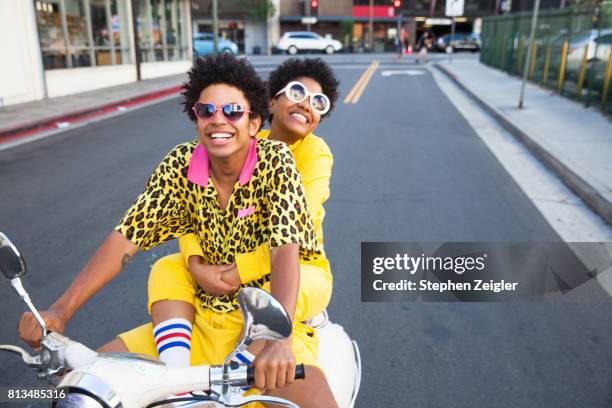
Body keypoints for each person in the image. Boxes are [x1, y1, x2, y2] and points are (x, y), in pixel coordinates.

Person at [18, 54, 338, 408]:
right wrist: (61, 310)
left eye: (232, 111)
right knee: (80, 389)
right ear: (195, 117)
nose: (219, 120)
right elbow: (130, 233)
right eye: (207, 111)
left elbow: (284, 249)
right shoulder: (179, 165)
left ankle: (244, 357)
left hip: (262, 312)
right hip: (202, 312)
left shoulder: (278, 160)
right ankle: (176, 375)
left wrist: (279, 340)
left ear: (252, 123)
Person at [133, 57, 339, 384]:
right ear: (271, 102)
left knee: (281, 293)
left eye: (319, 102)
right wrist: (197, 262)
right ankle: (176, 375)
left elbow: (295, 229)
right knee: (167, 267)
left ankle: (240, 366)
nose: (307, 104)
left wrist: (237, 271)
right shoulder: (243, 141)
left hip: (295, 263)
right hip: (229, 260)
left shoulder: (315, 153)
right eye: (298, 92)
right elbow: (196, 210)